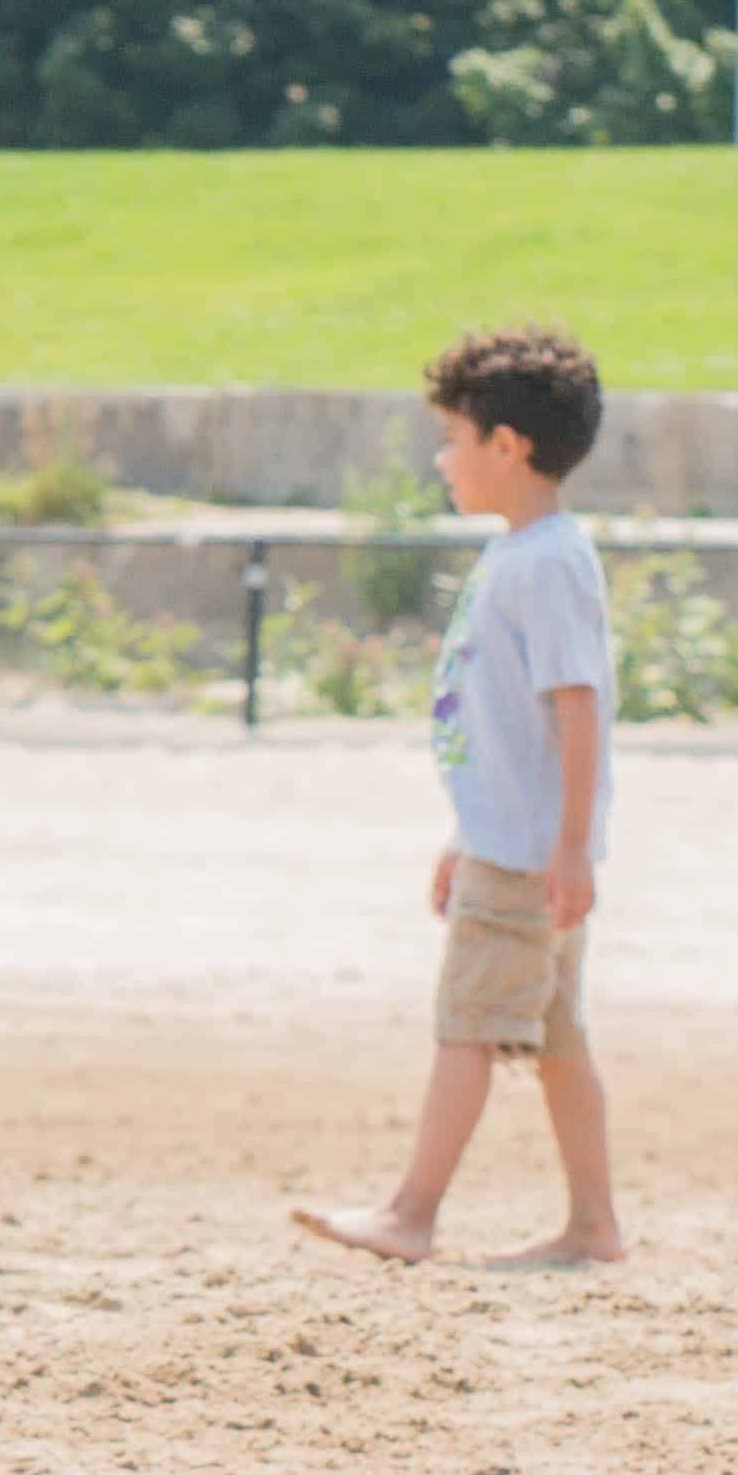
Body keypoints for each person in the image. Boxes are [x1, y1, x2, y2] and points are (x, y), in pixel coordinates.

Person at [292, 324, 625, 1272]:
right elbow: (512, 732)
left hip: (525, 858)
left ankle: (412, 1212)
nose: (444, 460)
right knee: (558, 1041)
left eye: (455, 439)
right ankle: (594, 1226)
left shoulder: (547, 563)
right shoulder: (530, 554)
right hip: (513, 842)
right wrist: (466, 830)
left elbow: (576, 709)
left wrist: (565, 846)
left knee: (468, 1029)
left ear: (508, 447)